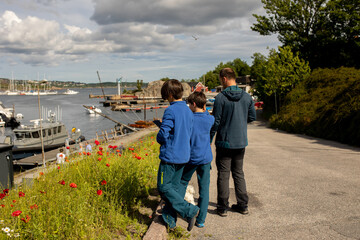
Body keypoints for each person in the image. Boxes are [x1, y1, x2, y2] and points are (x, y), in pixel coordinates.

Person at [210, 68, 256, 217]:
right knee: (238, 173)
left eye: (220, 80)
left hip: (224, 142)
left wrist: (208, 140)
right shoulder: (247, 97)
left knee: (223, 174)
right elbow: (252, 117)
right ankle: (243, 205)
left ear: (224, 79)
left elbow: (215, 122)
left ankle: (222, 207)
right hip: (240, 142)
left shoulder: (220, 98)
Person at [156, 79, 199, 231]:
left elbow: (163, 135)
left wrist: (159, 136)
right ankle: (170, 220)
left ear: (169, 94)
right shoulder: (188, 110)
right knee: (173, 188)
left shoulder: (170, 110)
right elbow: (184, 131)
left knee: (163, 187)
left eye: (165, 95)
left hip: (170, 156)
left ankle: (190, 210)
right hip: (184, 155)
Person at [179, 91, 214, 228]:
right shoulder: (209, 119)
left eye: (189, 105)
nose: (188, 107)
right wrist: (204, 110)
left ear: (193, 104)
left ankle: (182, 210)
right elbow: (207, 116)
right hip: (205, 158)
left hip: (191, 158)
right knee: (204, 188)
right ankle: (201, 220)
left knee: (182, 183)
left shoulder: (190, 119)